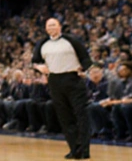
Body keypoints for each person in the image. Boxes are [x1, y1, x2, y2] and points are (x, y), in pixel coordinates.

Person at [31, 17, 92, 160]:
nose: (51, 28)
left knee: (81, 114)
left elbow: (86, 58)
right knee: (64, 116)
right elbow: (34, 61)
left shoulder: (71, 40)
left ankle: (84, 149)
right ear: (46, 29)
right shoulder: (42, 43)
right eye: (48, 26)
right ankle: (73, 148)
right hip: (54, 80)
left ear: (60, 27)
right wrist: (39, 67)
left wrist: (83, 68)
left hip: (73, 78)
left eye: (54, 25)